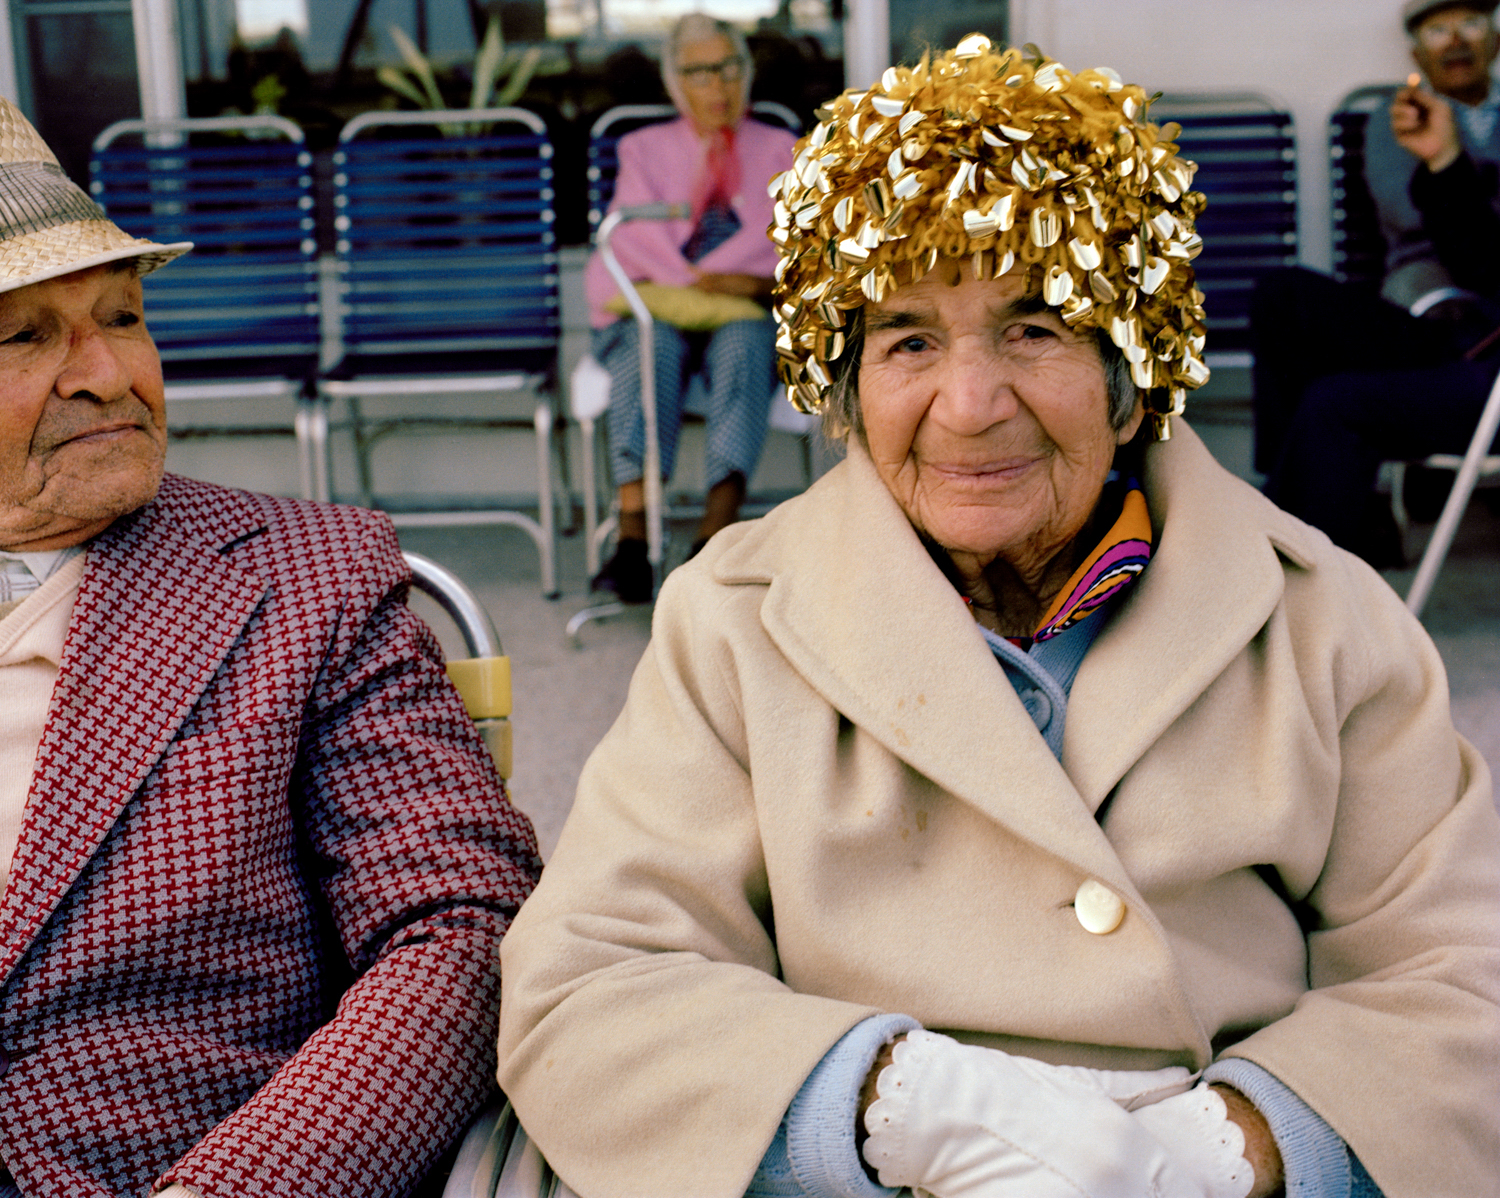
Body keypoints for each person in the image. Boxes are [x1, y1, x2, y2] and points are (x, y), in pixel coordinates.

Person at [497, 37, 1500, 1198]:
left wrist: (1235, 1148)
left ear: (1135, 370)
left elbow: (1465, 979)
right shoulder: (732, 623)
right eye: (909, 340)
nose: (970, 408)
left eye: (1036, 328)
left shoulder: (1324, 616)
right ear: (845, 386)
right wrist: (896, 1106)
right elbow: (588, 988)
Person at [0, 99, 542, 1197]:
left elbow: (462, 925)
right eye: (26, 335)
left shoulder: (302, 579)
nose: (108, 372)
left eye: (124, 315)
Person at [1253, 0, 1500, 562]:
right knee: (1282, 294)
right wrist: (1454, 167)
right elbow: (1412, 216)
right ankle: (1295, 501)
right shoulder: (1403, 119)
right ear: (1418, 54)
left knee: (1336, 401)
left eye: (1470, 23)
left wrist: (1453, 168)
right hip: (1430, 317)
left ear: (1495, 40)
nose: (1456, 39)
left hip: (1485, 337)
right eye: (1439, 29)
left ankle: (1294, 548)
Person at [584, 13, 797, 604]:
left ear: (746, 73)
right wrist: (699, 280)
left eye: (729, 68)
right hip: (663, 304)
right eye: (700, 73)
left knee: (746, 343)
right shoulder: (643, 149)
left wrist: (751, 286)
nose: (718, 86)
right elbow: (630, 243)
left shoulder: (780, 148)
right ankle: (632, 533)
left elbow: (799, 249)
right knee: (648, 344)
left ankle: (717, 531)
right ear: (676, 83)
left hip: (743, 308)